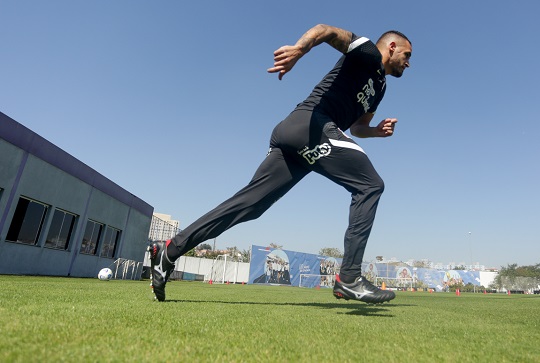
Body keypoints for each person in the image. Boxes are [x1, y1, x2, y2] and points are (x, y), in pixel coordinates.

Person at [148, 24, 412, 304]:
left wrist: (376, 131)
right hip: (310, 123)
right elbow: (325, 31)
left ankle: (169, 251)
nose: (408, 63)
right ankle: (349, 277)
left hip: (299, 136)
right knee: (370, 185)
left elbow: (359, 127)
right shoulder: (368, 52)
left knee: (250, 205)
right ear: (391, 47)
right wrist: (300, 49)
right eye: (406, 55)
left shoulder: (380, 88)